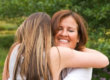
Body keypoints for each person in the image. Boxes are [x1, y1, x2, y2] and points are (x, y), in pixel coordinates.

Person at [2, 11, 109, 80]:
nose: (63, 33)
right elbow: (103, 60)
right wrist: (79, 46)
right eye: (59, 29)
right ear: (49, 33)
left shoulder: (15, 48)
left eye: (71, 30)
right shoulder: (56, 53)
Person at [50, 10, 109, 80]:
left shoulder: (85, 64)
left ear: (78, 37)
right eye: (59, 29)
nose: (64, 34)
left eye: (70, 30)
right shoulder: (41, 55)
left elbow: (104, 60)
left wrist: (79, 48)